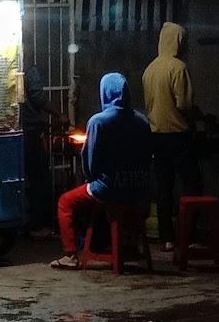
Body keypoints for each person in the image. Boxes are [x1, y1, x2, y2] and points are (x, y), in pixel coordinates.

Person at [50, 72, 152, 269]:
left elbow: (91, 162)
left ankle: (70, 255)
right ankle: (130, 245)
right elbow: (147, 156)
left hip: (109, 187)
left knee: (65, 202)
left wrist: (91, 178)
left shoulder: (99, 121)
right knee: (125, 203)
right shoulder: (142, 121)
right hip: (139, 187)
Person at [142, 21, 203, 252]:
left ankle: (167, 237)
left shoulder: (150, 70)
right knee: (192, 185)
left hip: (156, 135)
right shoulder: (178, 68)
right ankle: (190, 235)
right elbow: (184, 103)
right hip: (179, 135)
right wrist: (196, 116)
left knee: (164, 188)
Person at [21, 65, 70, 239]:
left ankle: (28, 221)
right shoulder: (29, 68)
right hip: (31, 131)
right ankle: (38, 225)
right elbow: (38, 96)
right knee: (40, 178)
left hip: (17, 131)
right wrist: (59, 114)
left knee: (26, 179)